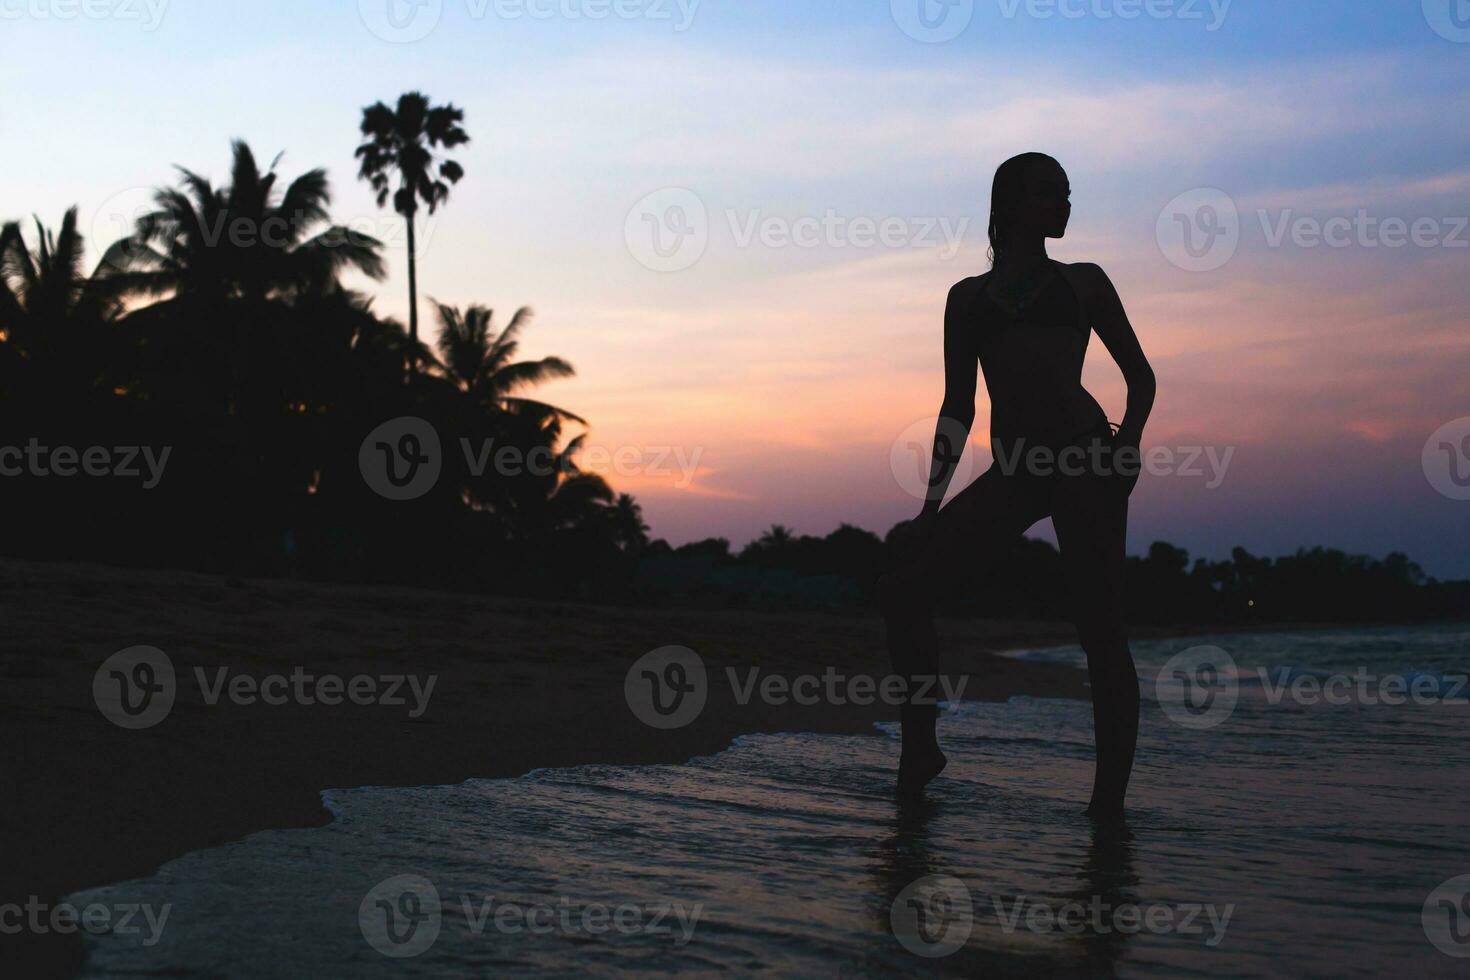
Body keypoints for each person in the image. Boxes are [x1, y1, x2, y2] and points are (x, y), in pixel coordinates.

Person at [878, 152, 1156, 820]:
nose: (1062, 205)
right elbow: (958, 408)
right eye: (1046, 194)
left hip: (1086, 461)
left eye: (1065, 194)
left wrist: (1126, 449)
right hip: (1016, 471)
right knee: (907, 585)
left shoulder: (1086, 284)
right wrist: (930, 506)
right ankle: (921, 747)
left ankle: (1106, 808)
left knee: (1101, 630)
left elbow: (1140, 379)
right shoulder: (968, 299)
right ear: (1009, 204)